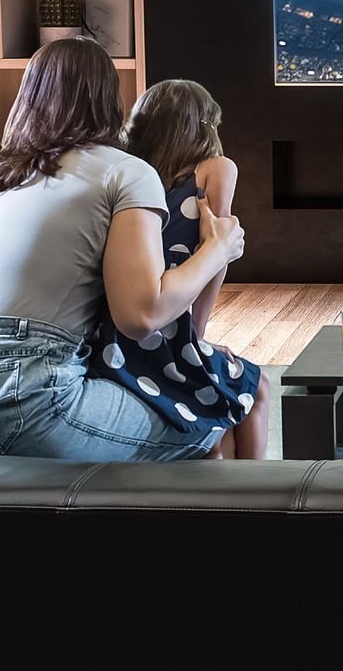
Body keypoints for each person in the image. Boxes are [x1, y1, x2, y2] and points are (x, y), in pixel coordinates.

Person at [0, 38, 265, 461]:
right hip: (18, 400)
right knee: (211, 416)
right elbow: (141, 316)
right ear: (108, 99)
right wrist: (218, 249)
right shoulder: (125, 172)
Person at [82, 79, 269, 460]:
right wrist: (197, 337)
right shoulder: (217, 169)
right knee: (257, 386)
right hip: (163, 337)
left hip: (113, 343)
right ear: (202, 126)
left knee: (219, 428)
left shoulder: (126, 174)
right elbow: (217, 255)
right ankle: (263, 501)